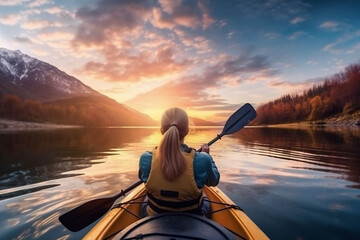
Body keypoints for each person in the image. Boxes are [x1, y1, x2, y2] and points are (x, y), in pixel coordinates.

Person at [138, 107, 220, 216]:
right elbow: (214, 181)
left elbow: (142, 176)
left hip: (154, 215)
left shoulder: (146, 158)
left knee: (145, 198)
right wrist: (207, 157)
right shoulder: (203, 159)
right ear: (187, 130)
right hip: (193, 218)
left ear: (161, 130)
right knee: (205, 196)